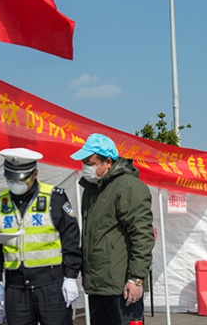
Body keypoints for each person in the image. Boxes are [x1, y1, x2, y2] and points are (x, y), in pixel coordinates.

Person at [0, 148, 82, 325]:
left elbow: (71, 239)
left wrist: (70, 276)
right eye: (10, 178)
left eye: (20, 179)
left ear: (35, 174)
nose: (14, 183)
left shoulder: (54, 198)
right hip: (15, 288)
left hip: (51, 285)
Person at [70, 133, 155, 325]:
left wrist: (136, 279)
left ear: (108, 162)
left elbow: (142, 236)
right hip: (98, 285)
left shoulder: (128, 187)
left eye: (89, 162)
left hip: (122, 286)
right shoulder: (91, 191)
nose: (85, 166)